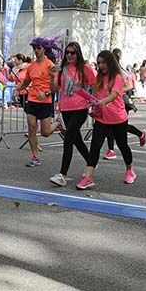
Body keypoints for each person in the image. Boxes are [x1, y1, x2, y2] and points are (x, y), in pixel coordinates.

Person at [76, 50, 136, 190]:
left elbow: (114, 94)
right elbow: (95, 96)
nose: (101, 66)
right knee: (95, 147)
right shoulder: (98, 78)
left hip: (118, 118)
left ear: (110, 62)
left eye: (103, 62)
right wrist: (93, 102)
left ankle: (129, 170)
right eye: (99, 63)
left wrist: (103, 102)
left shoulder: (118, 77)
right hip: (102, 119)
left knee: (123, 146)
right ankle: (88, 177)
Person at [50, 41, 95, 187]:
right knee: (78, 141)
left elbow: (94, 86)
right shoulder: (61, 69)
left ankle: (62, 174)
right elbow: (55, 88)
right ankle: (91, 162)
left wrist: (94, 103)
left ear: (78, 54)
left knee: (68, 139)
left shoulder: (85, 69)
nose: (69, 55)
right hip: (66, 109)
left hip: (80, 109)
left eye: (72, 52)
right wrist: (52, 76)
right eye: (67, 52)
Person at [14, 37, 56, 167]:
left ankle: (58, 124)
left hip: (45, 101)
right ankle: (35, 156)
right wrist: (17, 89)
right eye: (34, 48)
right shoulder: (31, 66)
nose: (36, 51)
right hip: (31, 100)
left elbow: (57, 85)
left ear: (44, 49)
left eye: (39, 48)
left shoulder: (51, 65)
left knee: (45, 132)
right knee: (31, 128)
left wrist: (47, 93)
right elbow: (26, 82)